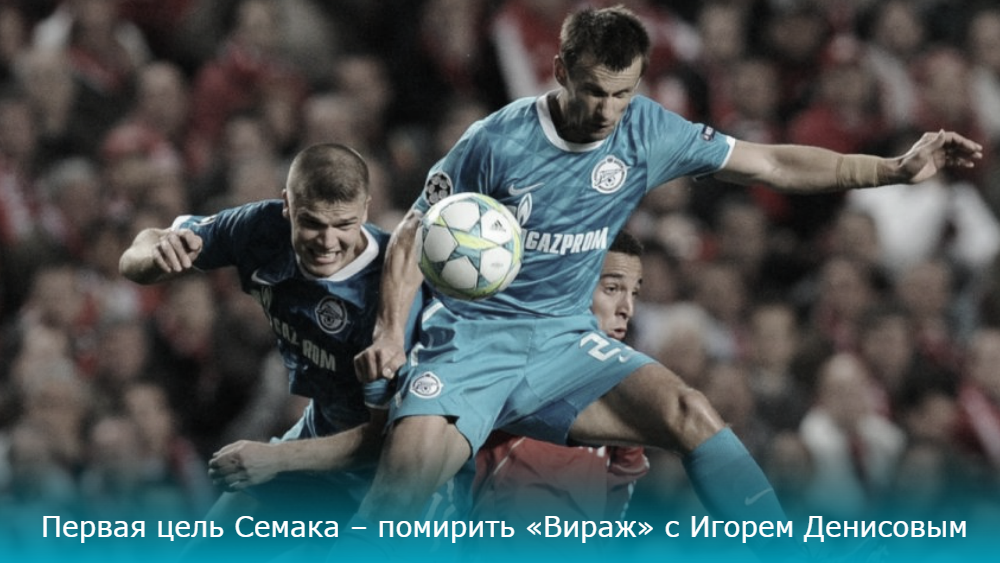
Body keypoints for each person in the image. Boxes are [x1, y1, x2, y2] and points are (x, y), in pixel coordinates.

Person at [348, 5, 981, 560]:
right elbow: (412, 233)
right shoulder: (495, 141)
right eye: (594, 91)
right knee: (399, 493)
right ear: (561, 71)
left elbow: (770, 161)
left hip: (563, 344)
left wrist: (890, 170)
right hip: (474, 342)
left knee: (689, 411)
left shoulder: (647, 131)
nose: (607, 111)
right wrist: (390, 332)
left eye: (621, 94)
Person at [118, 143, 450, 560]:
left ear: (366, 210)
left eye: (343, 225)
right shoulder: (258, 228)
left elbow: (387, 440)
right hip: (322, 433)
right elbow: (138, 252)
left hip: (390, 479)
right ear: (287, 205)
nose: (328, 241)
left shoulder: (390, 300)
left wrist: (276, 458)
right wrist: (156, 255)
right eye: (312, 223)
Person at [471, 230, 648, 526]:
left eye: (634, 293)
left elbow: (621, 483)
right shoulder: (510, 358)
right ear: (573, 287)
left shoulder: (628, 385)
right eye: (612, 289)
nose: (627, 309)